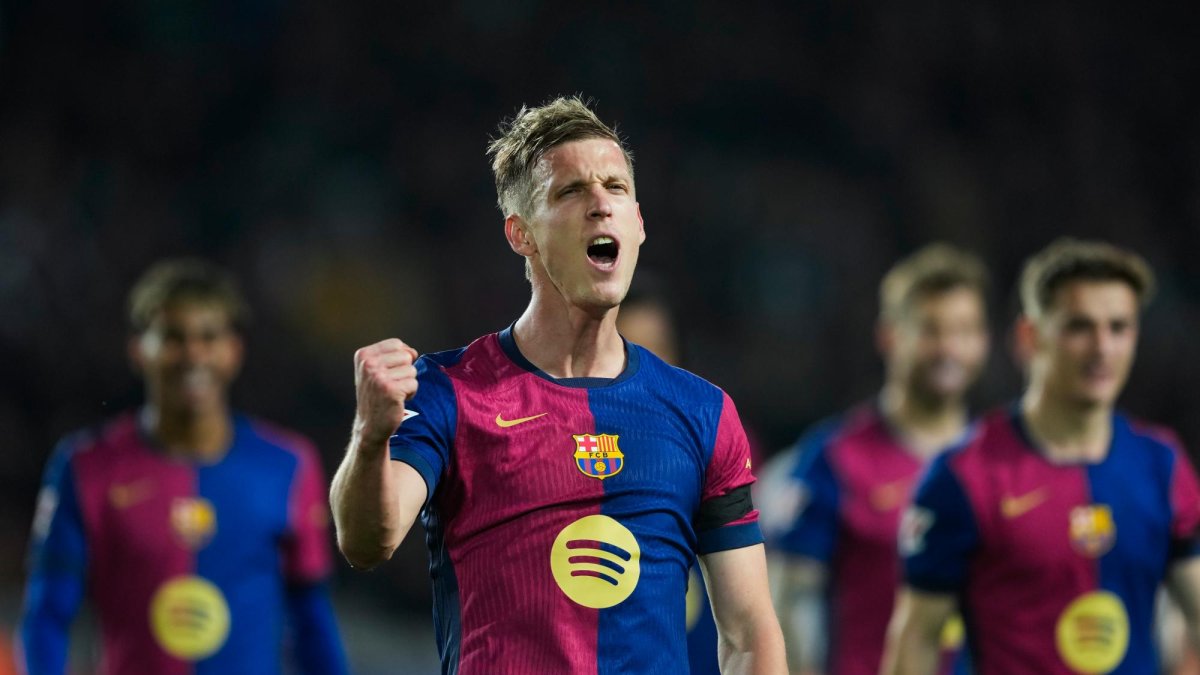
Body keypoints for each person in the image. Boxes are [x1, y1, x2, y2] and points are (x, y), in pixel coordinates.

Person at [330, 96, 786, 674]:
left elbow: (748, 634)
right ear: (521, 235)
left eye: (616, 188)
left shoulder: (702, 412)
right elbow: (367, 541)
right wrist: (370, 436)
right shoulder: (450, 390)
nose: (600, 205)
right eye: (570, 192)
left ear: (639, 224)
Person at [881, 238, 1200, 674]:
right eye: (1079, 327)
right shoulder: (963, 475)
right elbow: (916, 638)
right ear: (1031, 336)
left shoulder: (1162, 466)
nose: (1102, 348)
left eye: (1119, 327)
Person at [16, 259, 349, 675]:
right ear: (139, 350)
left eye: (208, 337)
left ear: (234, 351)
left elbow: (312, 620)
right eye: (173, 337)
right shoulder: (86, 466)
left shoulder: (287, 465)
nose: (193, 353)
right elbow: (47, 615)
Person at [758, 244, 989, 675]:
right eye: (930, 330)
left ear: (984, 340)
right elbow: (790, 602)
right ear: (889, 336)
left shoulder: (1002, 463)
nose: (948, 348)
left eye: (963, 330)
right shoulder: (835, 459)